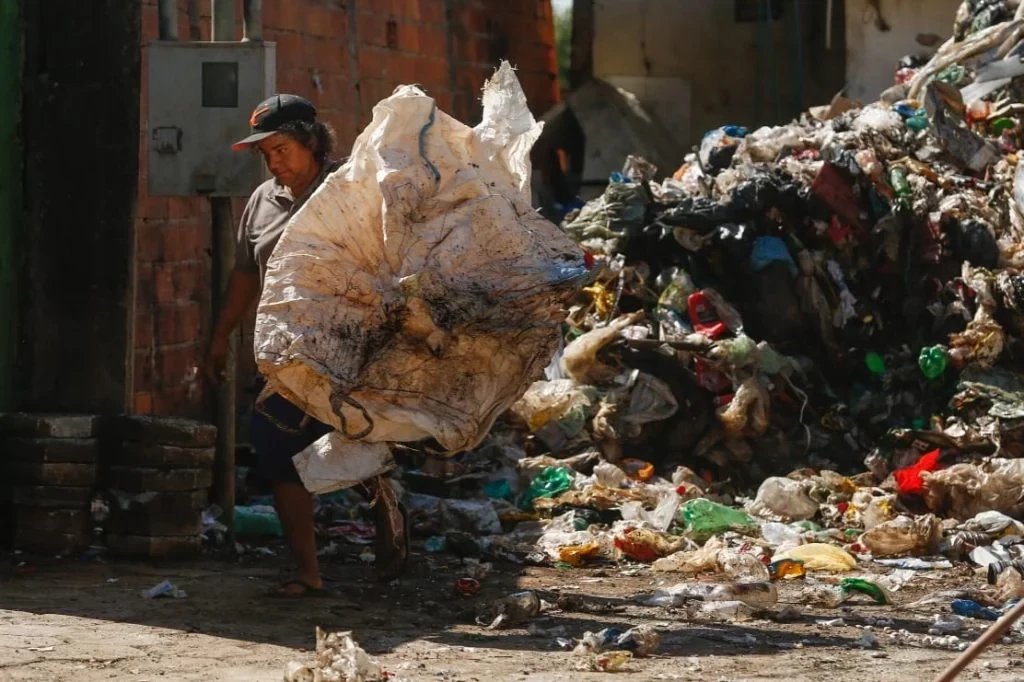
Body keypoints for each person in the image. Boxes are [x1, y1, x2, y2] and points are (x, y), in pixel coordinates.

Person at [205, 94, 408, 598]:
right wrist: (219, 336)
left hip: (351, 349)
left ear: (312, 144)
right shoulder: (262, 201)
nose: (274, 163)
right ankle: (307, 573)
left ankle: (383, 505)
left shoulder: (351, 190)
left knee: (355, 441)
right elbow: (243, 274)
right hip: (286, 355)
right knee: (276, 449)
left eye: (282, 149)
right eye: (265, 154)